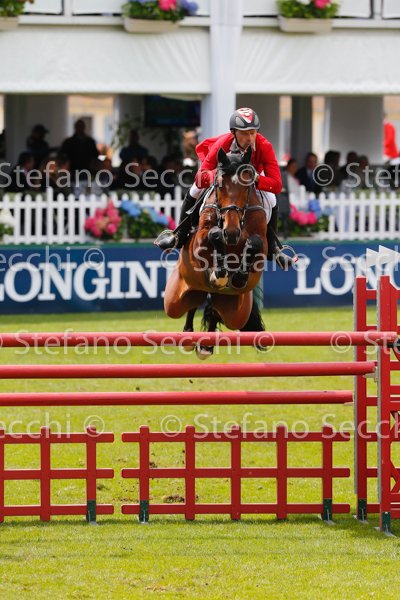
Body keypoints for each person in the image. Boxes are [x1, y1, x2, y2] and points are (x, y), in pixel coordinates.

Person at [155, 107, 294, 269]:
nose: (250, 138)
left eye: (253, 133)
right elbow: (200, 178)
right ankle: (179, 235)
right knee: (194, 190)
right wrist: (216, 174)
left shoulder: (264, 146)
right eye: (244, 133)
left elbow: (276, 184)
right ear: (234, 132)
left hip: (250, 178)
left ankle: (274, 248)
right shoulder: (222, 144)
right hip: (224, 180)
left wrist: (256, 178)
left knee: (272, 198)